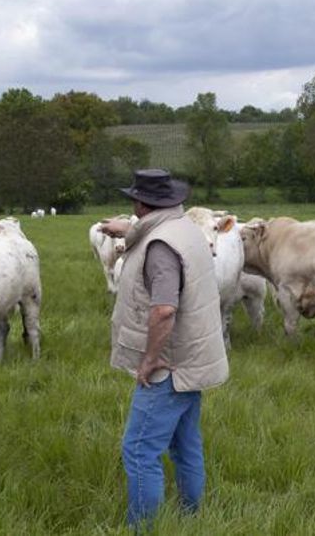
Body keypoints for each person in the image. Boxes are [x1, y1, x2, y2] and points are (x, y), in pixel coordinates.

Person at [101, 169, 229, 529]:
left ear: (140, 203)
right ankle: (190, 517)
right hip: (195, 358)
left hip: (170, 366)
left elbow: (163, 309)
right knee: (185, 443)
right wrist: (124, 230)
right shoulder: (185, 228)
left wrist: (150, 360)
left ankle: (141, 528)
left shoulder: (159, 249)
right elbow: (158, 236)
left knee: (139, 450)